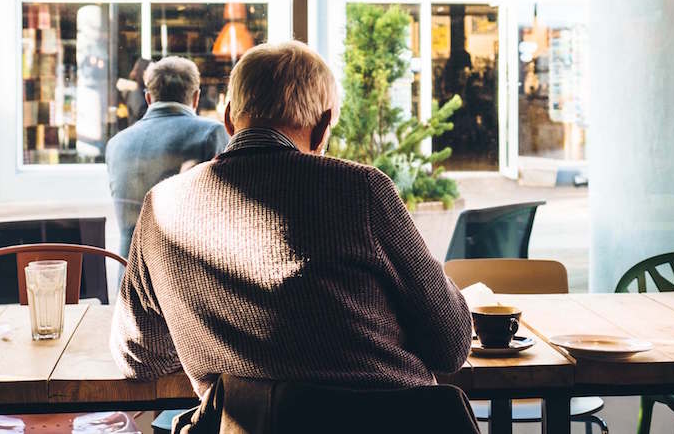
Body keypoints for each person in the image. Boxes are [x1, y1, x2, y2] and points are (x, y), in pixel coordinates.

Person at [110, 40, 472, 399]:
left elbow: (138, 358)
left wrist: (208, 331)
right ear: (322, 127)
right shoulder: (362, 191)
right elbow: (451, 344)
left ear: (229, 118)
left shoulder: (161, 207)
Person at [105, 56, 229, 260]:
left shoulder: (116, 144)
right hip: (183, 279)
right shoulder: (210, 134)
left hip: (128, 278)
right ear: (196, 97)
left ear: (148, 98)